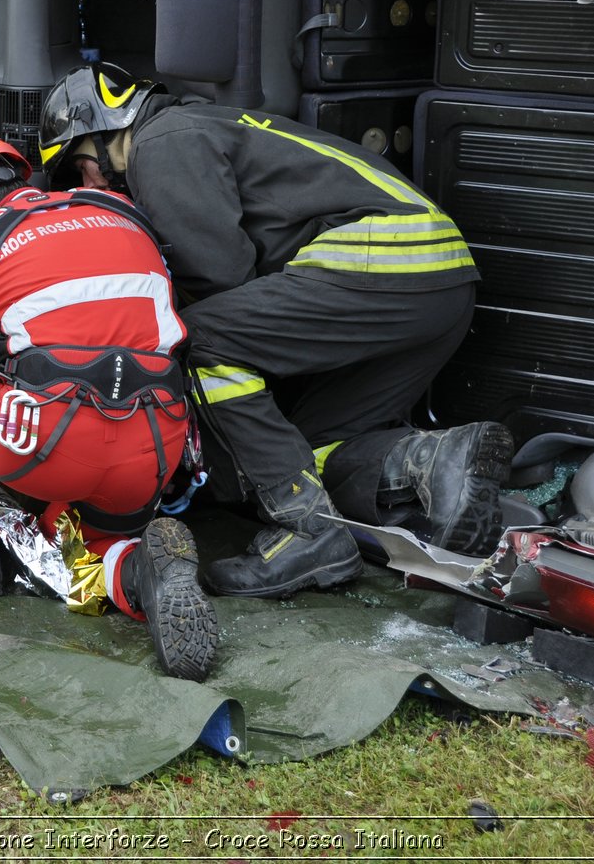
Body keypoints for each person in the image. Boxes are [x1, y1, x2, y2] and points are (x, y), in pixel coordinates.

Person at [38, 63, 513, 600]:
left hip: (385, 260)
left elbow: (220, 276)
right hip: (439, 284)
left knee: (198, 341)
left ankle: (310, 532)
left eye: (80, 168)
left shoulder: (160, 141)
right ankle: (438, 460)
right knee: (300, 447)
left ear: (103, 132)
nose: (88, 186)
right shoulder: (203, 126)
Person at [0, 132, 218, 681]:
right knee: (106, 539)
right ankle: (139, 576)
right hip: (154, 444)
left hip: (46, 441)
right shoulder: (120, 210)